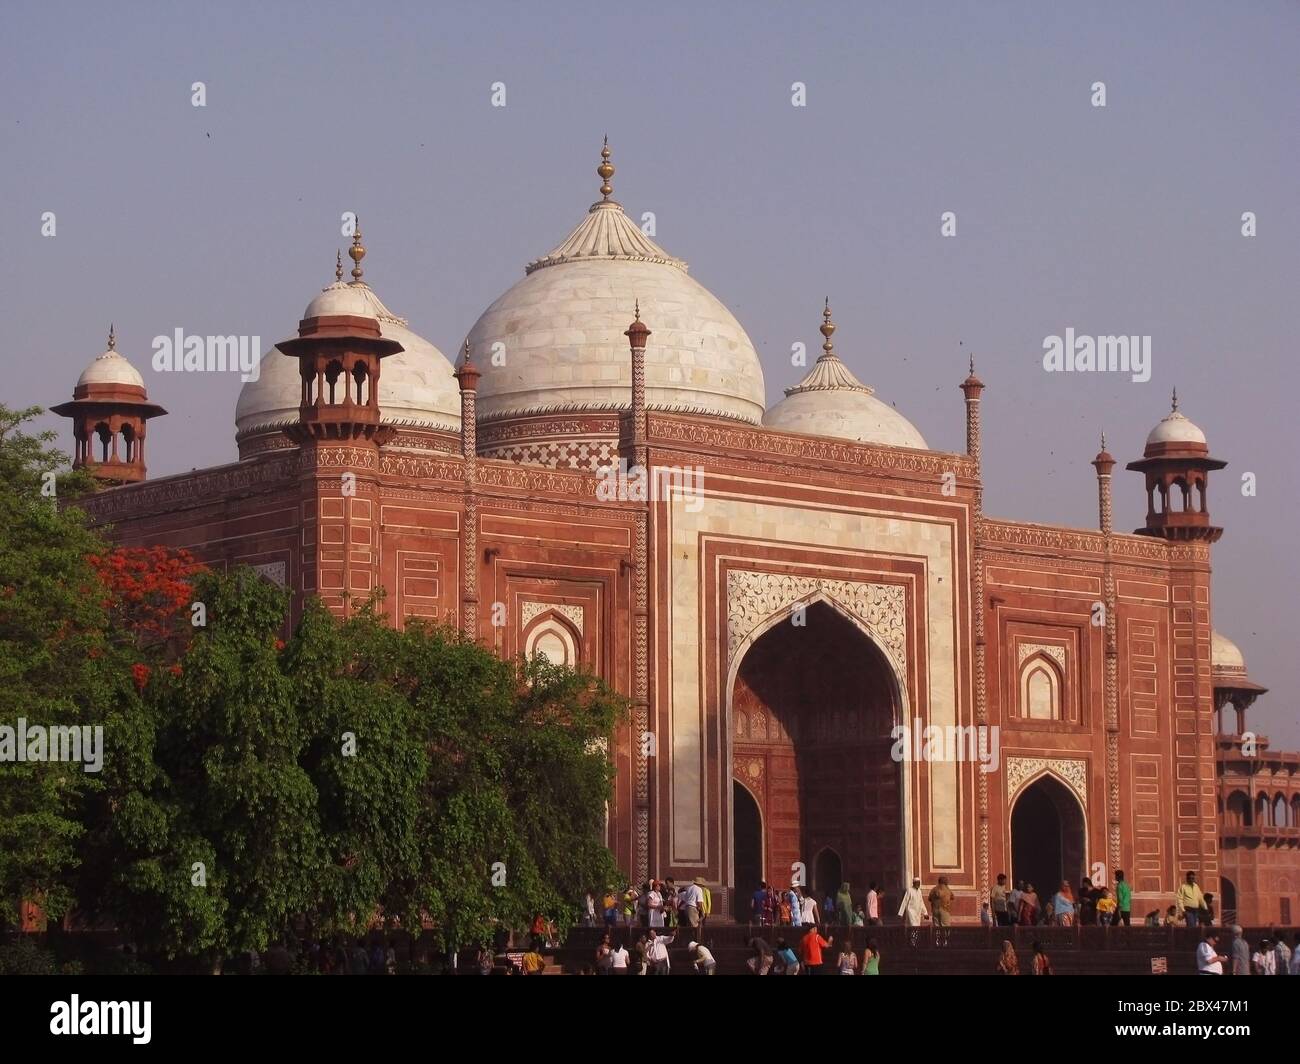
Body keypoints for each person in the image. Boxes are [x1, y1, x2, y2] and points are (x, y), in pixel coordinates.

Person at [899, 877, 929, 944]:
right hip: (911, 912)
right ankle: (913, 942)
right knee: (913, 926)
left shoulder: (919, 891)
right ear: (913, 883)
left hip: (917, 913)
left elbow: (921, 902)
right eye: (916, 883)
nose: (918, 884)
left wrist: (925, 913)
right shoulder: (909, 890)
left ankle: (915, 941)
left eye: (919, 883)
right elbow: (905, 901)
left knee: (917, 927)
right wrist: (901, 913)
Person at [929, 876, 953, 945]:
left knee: (936, 926)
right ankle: (945, 942)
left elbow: (929, 898)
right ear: (945, 882)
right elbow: (952, 897)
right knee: (945, 926)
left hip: (935, 910)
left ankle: (937, 941)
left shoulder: (934, 889)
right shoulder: (947, 889)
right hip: (944, 910)